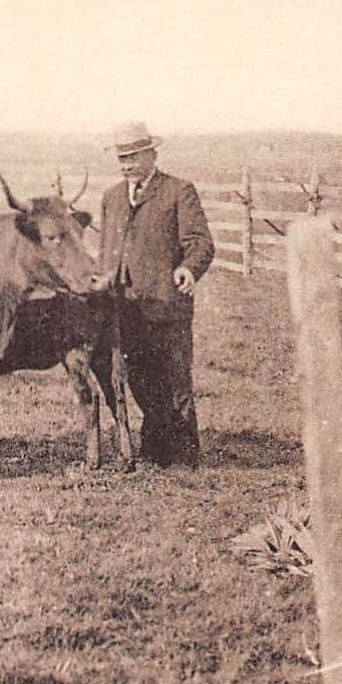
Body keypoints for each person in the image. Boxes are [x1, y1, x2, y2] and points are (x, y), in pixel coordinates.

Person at [94, 122, 213, 468]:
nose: (126, 164)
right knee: (140, 379)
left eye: (132, 157)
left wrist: (189, 269)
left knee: (174, 378)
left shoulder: (178, 191)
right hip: (125, 308)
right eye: (121, 158)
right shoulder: (112, 197)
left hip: (167, 304)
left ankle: (184, 456)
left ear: (152, 155)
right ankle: (156, 445)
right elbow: (107, 251)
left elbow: (201, 242)